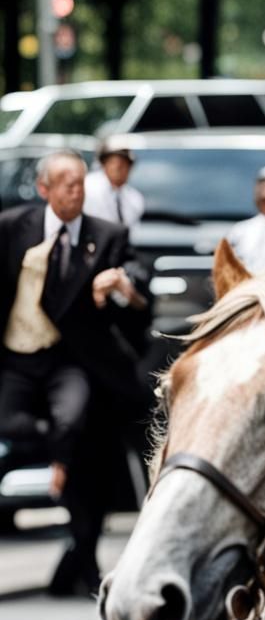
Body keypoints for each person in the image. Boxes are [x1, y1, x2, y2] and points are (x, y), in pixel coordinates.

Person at [0, 150, 150, 595]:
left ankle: (80, 558)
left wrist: (123, 288)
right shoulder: (12, 228)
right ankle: (58, 457)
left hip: (78, 366)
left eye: (82, 183)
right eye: (67, 183)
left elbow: (139, 288)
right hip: (17, 359)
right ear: (44, 189)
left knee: (91, 455)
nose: (77, 191)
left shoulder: (108, 237)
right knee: (30, 429)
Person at [83, 136, 145, 228]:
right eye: (113, 162)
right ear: (104, 164)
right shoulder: (87, 187)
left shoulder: (134, 199)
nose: (118, 167)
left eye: (125, 163)